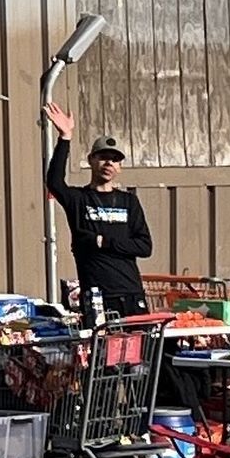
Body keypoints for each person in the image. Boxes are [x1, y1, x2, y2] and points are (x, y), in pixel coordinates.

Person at [44, 103, 154, 318]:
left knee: (140, 341)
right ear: (91, 160)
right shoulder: (78, 199)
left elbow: (144, 246)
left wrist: (103, 242)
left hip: (132, 294)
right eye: (103, 157)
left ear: (120, 167)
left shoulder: (129, 202)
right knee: (102, 341)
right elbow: (54, 182)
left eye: (115, 159)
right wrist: (65, 137)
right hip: (98, 298)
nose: (108, 163)